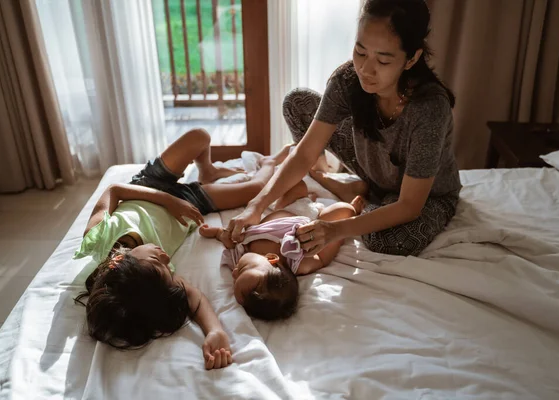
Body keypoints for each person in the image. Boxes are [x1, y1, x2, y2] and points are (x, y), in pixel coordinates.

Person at [227, 0, 461, 257]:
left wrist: (334, 230)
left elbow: (409, 205)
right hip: (373, 168)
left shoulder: (429, 108)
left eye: (383, 61)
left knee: (387, 239)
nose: (365, 69)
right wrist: (256, 205)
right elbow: (305, 154)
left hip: (426, 196)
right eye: (360, 52)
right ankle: (348, 185)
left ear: (411, 58)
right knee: (297, 102)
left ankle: (363, 196)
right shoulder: (348, 80)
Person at [73, 128, 288, 369]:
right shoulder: (154, 280)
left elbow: (114, 190)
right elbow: (193, 297)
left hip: (149, 186)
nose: (166, 258)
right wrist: (214, 330)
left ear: (118, 263)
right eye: (166, 267)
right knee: (258, 188)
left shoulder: (97, 237)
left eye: (157, 261)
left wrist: (167, 199)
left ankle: (208, 169)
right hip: (188, 202)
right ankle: (269, 162)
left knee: (200, 136)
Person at [199, 196, 364, 320]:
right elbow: (322, 258)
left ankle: (309, 198)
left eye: (237, 275)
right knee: (343, 210)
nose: (234, 272)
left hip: (282, 208)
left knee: (295, 188)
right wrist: (342, 223)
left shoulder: (241, 253)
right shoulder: (297, 261)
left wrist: (217, 233)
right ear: (272, 260)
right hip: (313, 222)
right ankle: (344, 206)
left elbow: (228, 239)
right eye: (241, 270)